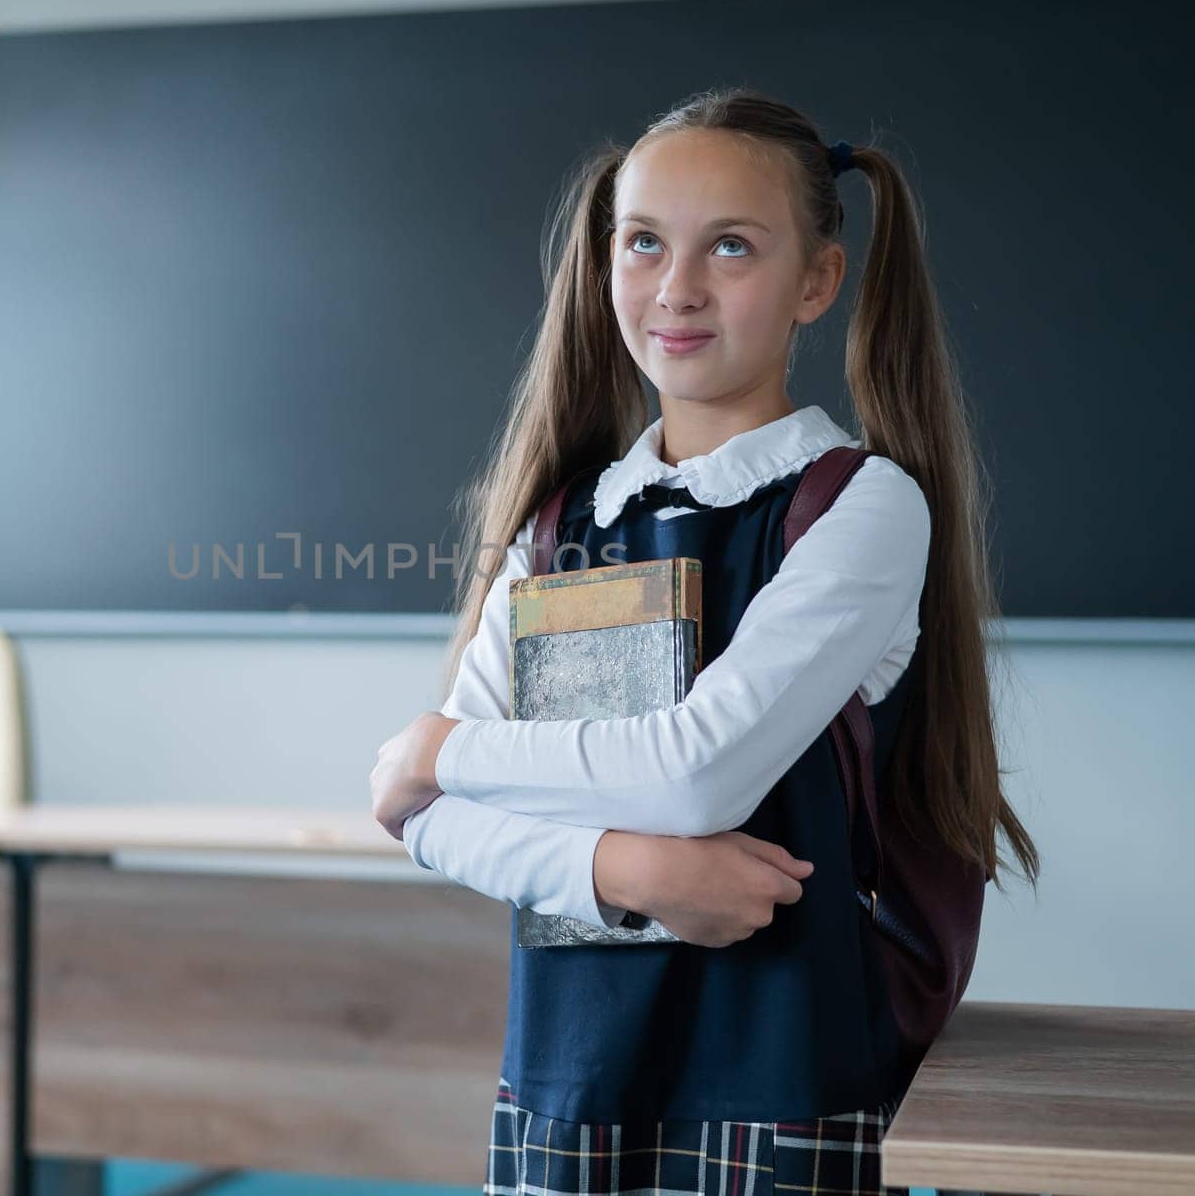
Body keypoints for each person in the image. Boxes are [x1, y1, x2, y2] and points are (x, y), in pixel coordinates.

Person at [369, 88, 1039, 1195]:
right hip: (566, 1078)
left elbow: (693, 771)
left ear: (815, 281)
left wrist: (427, 751)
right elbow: (439, 827)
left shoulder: (857, 505)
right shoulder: (560, 519)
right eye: (643, 243)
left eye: (730, 245)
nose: (676, 287)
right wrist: (623, 868)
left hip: (777, 1082)